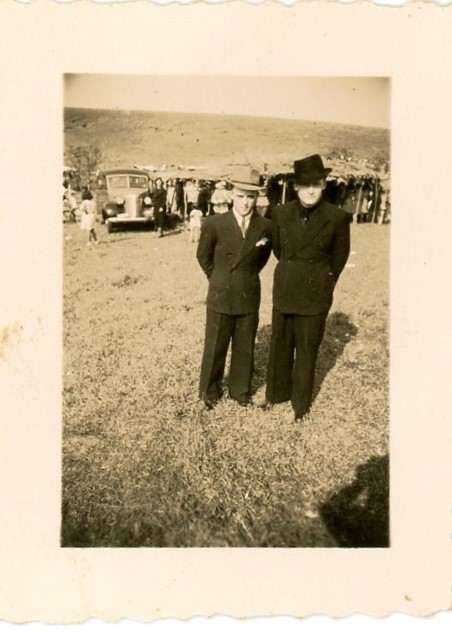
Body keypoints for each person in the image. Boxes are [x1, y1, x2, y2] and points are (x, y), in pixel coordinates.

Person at [264, 154, 350, 421]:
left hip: (315, 294)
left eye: (316, 184)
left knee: (307, 349)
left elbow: (339, 258)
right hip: (286, 288)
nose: (311, 190)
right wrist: (294, 269)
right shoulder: (280, 213)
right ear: (296, 186)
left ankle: (299, 406)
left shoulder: (337, 217)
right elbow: (279, 250)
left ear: (323, 185)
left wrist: (320, 280)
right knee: (280, 345)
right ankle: (275, 395)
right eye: (305, 185)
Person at [196, 167, 272, 409]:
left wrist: (243, 276)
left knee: (245, 345)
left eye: (251, 197)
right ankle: (209, 392)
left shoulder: (265, 226)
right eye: (240, 196)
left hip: (247, 292)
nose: (245, 202)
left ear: (257, 197)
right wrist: (219, 278)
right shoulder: (214, 223)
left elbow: (261, 260)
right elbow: (203, 256)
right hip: (221, 293)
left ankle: (240, 392)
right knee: (215, 346)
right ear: (231, 195)